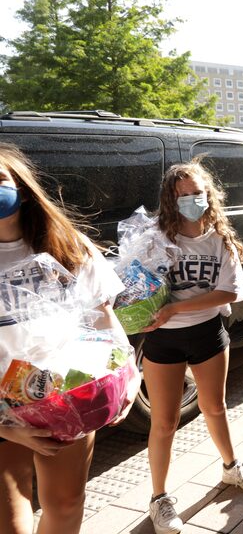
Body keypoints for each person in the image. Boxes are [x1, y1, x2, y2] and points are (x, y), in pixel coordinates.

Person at [0, 143, 135, 534]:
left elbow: (102, 316)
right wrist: (7, 427)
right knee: (10, 522)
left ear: (22, 188)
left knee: (66, 503)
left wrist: (128, 375)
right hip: (2, 413)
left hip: (64, 394)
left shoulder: (66, 244)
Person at [142, 161, 243, 534]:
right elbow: (138, 286)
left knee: (215, 406)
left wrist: (177, 306)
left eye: (197, 193)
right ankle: (159, 499)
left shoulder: (219, 237)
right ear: (169, 199)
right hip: (163, 340)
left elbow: (229, 292)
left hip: (208, 333)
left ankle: (231, 467)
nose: (191, 200)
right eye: (182, 195)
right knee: (164, 422)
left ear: (208, 193)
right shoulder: (156, 238)